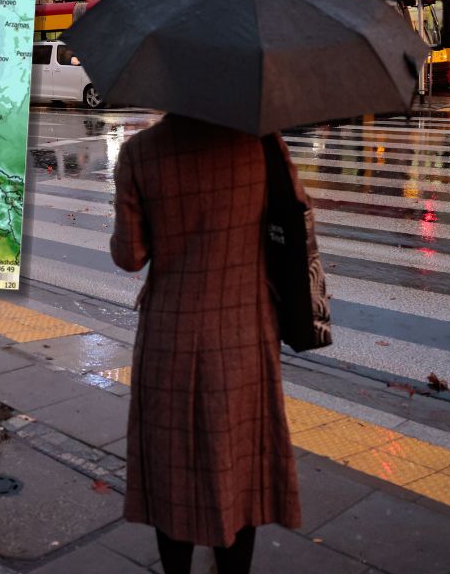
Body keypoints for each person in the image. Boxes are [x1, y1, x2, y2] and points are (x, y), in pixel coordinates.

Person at [110, 115, 301, 574]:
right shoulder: (263, 145)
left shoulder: (142, 151)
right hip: (244, 331)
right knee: (241, 464)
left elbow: (130, 255)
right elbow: (293, 221)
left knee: (171, 466)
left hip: (168, 335)